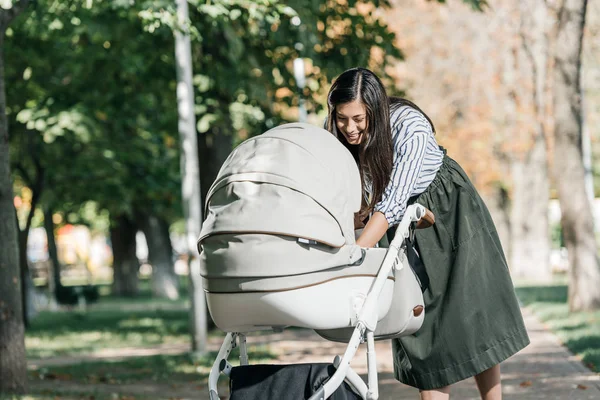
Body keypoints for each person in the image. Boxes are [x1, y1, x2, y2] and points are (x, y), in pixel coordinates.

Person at [325, 67, 530, 400]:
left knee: (472, 308)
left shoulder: (410, 127)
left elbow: (392, 202)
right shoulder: (338, 135)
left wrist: (354, 257)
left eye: (358, 119)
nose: (349, 128)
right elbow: (366, 203)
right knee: (419, 322)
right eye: (341, 118)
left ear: (376, 110)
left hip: (449, 209)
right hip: (395, 223)